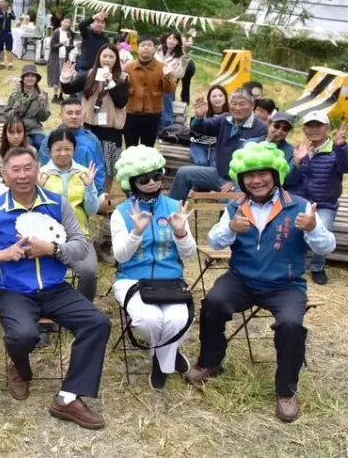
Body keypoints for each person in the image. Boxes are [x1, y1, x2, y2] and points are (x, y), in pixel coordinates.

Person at [185, 142, 335, 422]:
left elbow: (327, 246)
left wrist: (313, 229)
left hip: (286, 285)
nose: (256, 180)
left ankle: (286, 390)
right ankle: (210, 361)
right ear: (241, 179)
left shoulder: (299, 206)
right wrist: (230, 227)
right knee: (213, 302)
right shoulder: (235, 206)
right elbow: (214, 240)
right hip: (242, 279)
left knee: (291, 324)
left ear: (275, 174)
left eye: (262, 173)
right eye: (248, 176)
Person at [0, 147, 110, 430]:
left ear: (37, 170)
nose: (22, 175)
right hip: (14, 290)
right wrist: (1, 255)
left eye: (28, 168)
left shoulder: (58, 204)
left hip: (56, 288)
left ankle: (68, 398)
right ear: (5, 176)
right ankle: (20, 369)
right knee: (22, 335)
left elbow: (81, 247)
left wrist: (53, 248)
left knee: (98, 323)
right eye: (15, 170)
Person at [111, 145, 197, 389]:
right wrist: (136, 232)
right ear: (131, 181)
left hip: (171, 279)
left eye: (157, 175)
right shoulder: (121, 212)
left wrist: (180, 232)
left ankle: (160, 361)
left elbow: (189, 255)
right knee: (149, 320)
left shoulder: (174, 207)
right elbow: (120, 255)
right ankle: (168, 355)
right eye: (144, 178)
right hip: (131, 279)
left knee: (179, 319)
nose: (152, 182)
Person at [169, 89, 267, 201]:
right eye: (234, 104)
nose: (237, 108)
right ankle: (171, 212)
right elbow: (201, 128)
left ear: (252, 106)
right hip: (218, 174)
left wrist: (235, 183)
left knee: (228, 200)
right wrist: (199, 118)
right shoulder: (225, 119)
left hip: (242, 181)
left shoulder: (259, 128)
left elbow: (255, 164)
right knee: (184, 173)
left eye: (242, 104)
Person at [286, 111, 348, 285]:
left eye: (318, 125)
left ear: (327, 128)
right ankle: (295, 264)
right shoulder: (299, 149)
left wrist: (342, 147)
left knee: (324, 230)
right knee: (290, 230)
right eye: (309, 126)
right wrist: (296, 162)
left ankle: (317, 267)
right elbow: (288, 180)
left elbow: (345, 168)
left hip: (324, 204)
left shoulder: (336, 149)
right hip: (299, 201)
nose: (313, 130)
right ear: (304, 129)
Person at [38, 127, 100, 301]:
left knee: (89, 272)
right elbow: (32, 212)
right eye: (58, 149)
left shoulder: (83, 173)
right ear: (49, 151)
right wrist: (38, 189)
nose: (63, 154)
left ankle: (81, 309)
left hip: (78, 236)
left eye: (68, 149)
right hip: (46, 237)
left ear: (74, 150)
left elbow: (92, 210)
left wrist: (89, 187)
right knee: (42, 272)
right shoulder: (41, 174)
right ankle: (46, 313)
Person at [59, 44, 129, 193]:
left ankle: (104, 194)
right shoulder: (90, 74)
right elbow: (70, 89)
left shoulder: (122, 77)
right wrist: (65, 79)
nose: (107, 60)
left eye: (111, 57)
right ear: (99, 57)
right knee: (88, 160)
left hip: (111, 129)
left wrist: (110, 83)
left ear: (116, 59)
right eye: (104, 56)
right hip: (90, 126)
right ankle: (86, 191)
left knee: (109, 164)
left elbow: (121, 101)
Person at [123, 35, 177, 147]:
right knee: (130, 147)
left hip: (152, 114)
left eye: (149, 45)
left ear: (154, 49)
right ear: (137, 49)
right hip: (131, 114)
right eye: (142, 45)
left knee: (148, 148)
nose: (146, 48)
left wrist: (167, 76)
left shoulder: (162, 67)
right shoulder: (128, 67)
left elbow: (170, 89)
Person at [5, 65, 50, 149]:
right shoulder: (16, 95)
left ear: (36, 79)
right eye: (27, 76)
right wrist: (14, 111)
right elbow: (6, 115)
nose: (30, 78)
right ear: (23, 78)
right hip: (19, 129)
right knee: (28, 145)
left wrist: (42, 105)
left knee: (41, 143)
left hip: (35, 129)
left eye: (33, 76)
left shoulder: (41, 95)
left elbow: (43, 118)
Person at [0, 117, 35, 192]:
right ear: (5, 133)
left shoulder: (32, 151)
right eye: (11, 132)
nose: (16, 136)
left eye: (19, 132)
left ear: (24, 133)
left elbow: (35, 177)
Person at [156, 32, 191, 128]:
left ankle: (167, 129)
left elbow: (179, 74)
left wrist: (183, 63)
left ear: (178, 43)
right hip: (155, 82)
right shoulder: (159, 49)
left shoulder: (180, 56)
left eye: (174, 39)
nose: (171, 41)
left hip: (168, 84)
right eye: (169, 38)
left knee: (166, 108)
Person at [189, 85, 229, 167]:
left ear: (225, 98)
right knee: (201, 162)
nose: (218, 98)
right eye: (214, 96)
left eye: (220, 95)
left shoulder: (230, 115)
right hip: (199, 144)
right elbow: (194, 128)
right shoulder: (203, 112)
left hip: (218, 147)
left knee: (215, 164)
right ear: (209, 99)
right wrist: (198, 118)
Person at [47, 17, 76, 103]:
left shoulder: (69, 33)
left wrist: (74, 46)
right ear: (61, 22)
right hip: (56, 58)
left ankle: (61, 95)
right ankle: (55, 95)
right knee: (56, 76)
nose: (66, 24)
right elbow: (52, 46)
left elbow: (69, 46)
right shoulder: (56, 32)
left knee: (64, 76)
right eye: (65, 22)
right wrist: (61, 44)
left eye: (68, 23)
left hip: (65, 57)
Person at [0, 0, 16, 69]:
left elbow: (14, 18)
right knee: (0, 49)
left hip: (8, 32)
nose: (1, 3)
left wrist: (9, 13)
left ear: (6, 3)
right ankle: (2, 62)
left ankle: (10, 63)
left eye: (3, 2)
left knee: (9, 48)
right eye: (0, 2)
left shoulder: (9, 11)